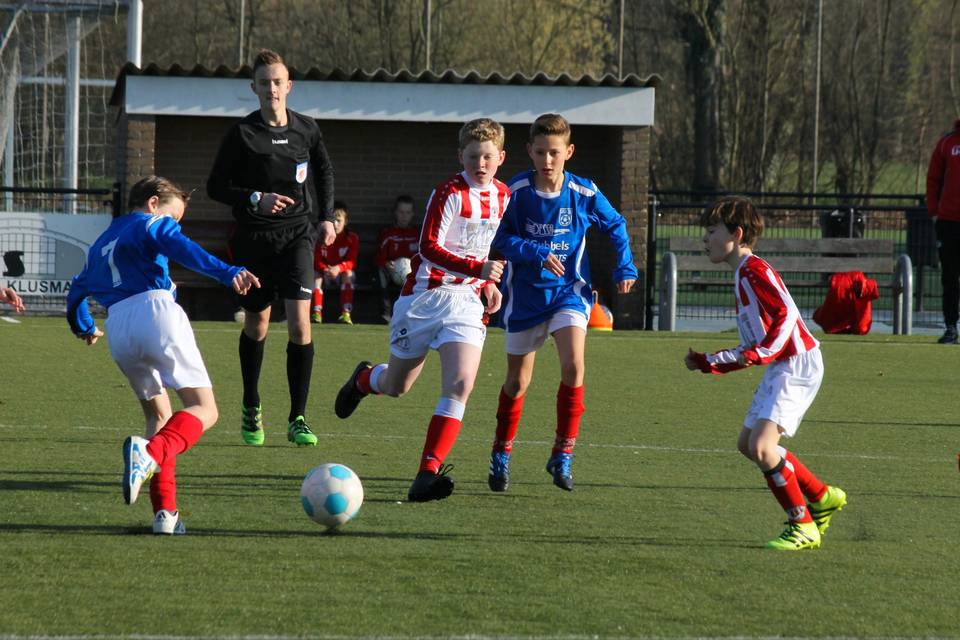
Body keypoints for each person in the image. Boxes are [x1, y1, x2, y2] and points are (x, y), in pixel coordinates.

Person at [66, 175, 260, 535]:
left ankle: (165, 515)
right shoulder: (152, 223)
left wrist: (84, 326)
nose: (174, 226)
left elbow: (76, 291)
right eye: (174, 218)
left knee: (159, 419)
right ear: (153, 203)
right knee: (205, 409)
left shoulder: (102, 242)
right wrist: (227, 271)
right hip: (155, 313)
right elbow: (182, 247)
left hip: (119, 329)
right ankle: (150, 455)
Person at [333, 118, 509, 502]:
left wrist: (486, 283)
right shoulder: (447, 192)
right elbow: (428, 248)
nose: (480, 163)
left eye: (488, 157)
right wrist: (478, 270)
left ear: (501, 158)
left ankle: (426, 473)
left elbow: (480, 247)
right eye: (473, 156)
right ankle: (364, 379)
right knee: (398, 386)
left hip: (465, 303)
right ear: (460, 156)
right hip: (424, 300)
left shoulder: (504, 195)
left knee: (461, 384)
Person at [683, 196, 847, 551]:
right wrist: (711, 361)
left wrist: (763, 351)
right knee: (748, 445)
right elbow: (752, 346)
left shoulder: (755, 271)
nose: (705, 239)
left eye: (712, 231)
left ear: (736, 234)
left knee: (761, 446)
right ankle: (821, 497)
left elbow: (786, 314)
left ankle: (802, 524)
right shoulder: (742, 275)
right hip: (782, 362)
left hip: (797, 362)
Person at [486, 113, 638, 493]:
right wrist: (534, 250)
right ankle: (501, 453)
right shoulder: (516, 192)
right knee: (517, 382)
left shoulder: (584, 193)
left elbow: (616, 224)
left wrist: (624, 266)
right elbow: (499, 240)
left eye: (555, 152)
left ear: (568, 151)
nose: (548, 160)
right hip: (526, 297)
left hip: (570, 292)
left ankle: (562, 453)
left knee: (574, 365)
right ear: (530, 152)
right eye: (541, 152)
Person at [207, 48, 335, 447]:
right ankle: (251, 402)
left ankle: (298, 416)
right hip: (254, 239)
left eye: (278, 82)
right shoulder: (241, 134)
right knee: (258, 323)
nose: (272, 89)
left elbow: (324, 170)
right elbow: (216, 187)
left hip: (297, 236)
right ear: (254, 88)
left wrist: (326, 216)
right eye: (264, 83)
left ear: (289, 85)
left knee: (300, 324)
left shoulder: (307, 129)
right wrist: (253, 198)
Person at [925, 118, 960, 344]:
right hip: (949, 223)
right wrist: (935, 212)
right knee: (950, 277)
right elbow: (933, 179)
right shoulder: (947, 143)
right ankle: (951, 327)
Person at [312, 201, 359, 325]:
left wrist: (338, 268)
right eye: (333, 220)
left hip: (341, 272)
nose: (336, 224)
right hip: (325, 272)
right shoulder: (321, 237)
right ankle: (317, 312)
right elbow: (316, 260)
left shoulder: (352, 238)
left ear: (346, 221)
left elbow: (352, 262)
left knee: (348, 273)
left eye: (339, 220)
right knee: (316, 276)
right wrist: (325, 269)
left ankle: (346, 313)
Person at [374, 194, 419, 322]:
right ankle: (386, 314)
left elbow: (424, 256)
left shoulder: (416, 235)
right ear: (395, 213)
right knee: (379, 273)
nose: (404, 216)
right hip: (391, 272)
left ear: (412, 214)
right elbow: (379, 257)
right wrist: (387, 264)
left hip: (411, 274)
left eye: (408, 212)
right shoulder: (388, 233)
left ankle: (412, 315)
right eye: (401, 212)